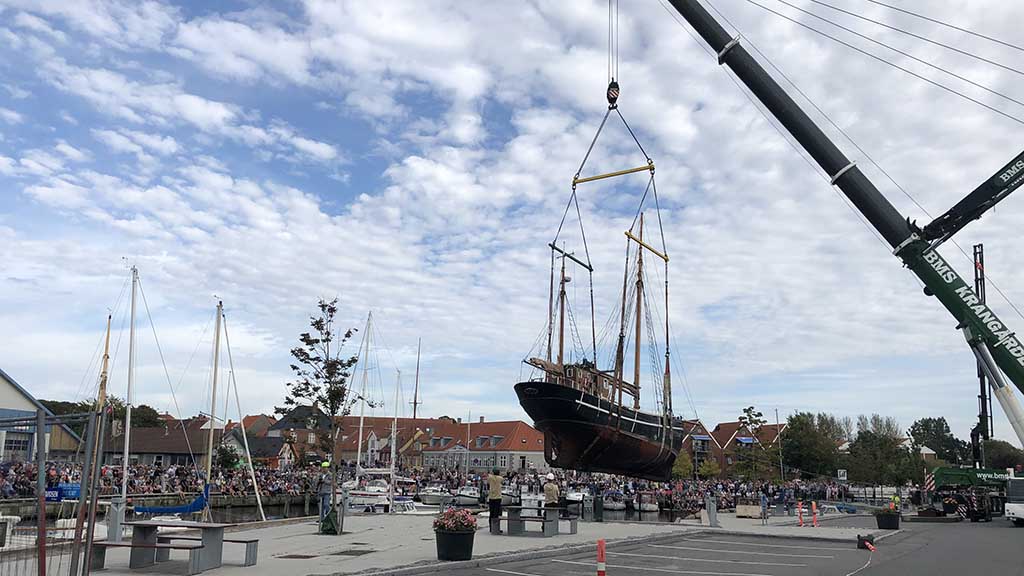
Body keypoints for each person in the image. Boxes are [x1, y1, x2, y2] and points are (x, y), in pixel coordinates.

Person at [488, 467, 504, 534]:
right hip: (498, 497)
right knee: (496, 514)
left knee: (491, 513)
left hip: (491, 497)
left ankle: (491, 528)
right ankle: (496, 528)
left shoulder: (490, 478)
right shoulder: (500, 478)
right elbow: (502, 481)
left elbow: (488, 476)